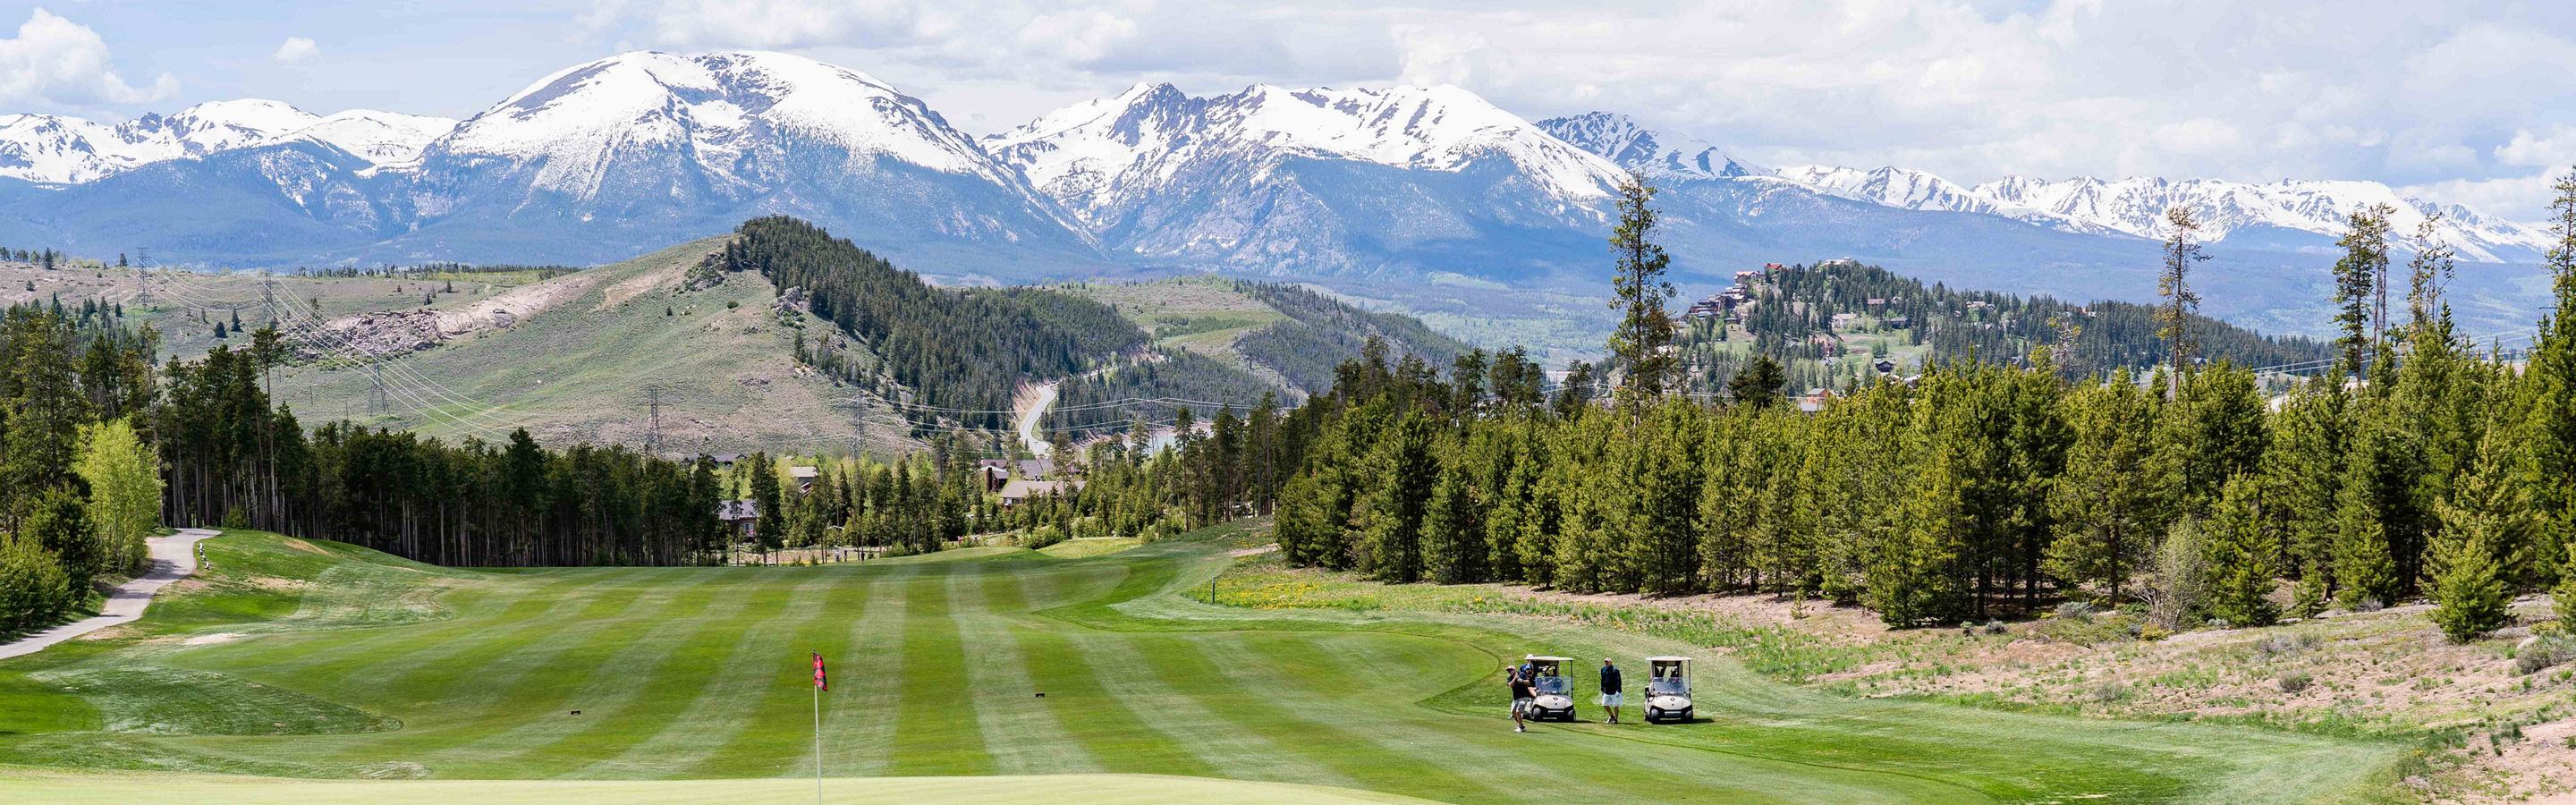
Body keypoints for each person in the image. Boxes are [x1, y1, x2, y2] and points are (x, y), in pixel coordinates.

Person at [1507, 663, 1534, 733]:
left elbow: (1528, 682)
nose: (1509, 671)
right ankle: (1522, 726)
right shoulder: (1510, 678)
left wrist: (1521, 680)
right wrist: (1515, 679)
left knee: (1518, 711)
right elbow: (1510, 685)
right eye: (1508, 671)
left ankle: (1520, 727)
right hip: (1516, 698)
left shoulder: (1522, 674)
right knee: (1513, 713)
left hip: (1524, 696)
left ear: (1514, 669)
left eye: (1510, 670)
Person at [1597, 658, 1624, 724]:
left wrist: (1618, 690)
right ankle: (1612, 716)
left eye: (1607, 662)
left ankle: (1616, 719)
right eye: (1605, 662)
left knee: (1616, 706)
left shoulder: (1615, 670)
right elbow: (1602, 680)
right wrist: (1602, 689)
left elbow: (1619, 680)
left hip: (1615, 692)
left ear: (1611, 662)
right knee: (1605, 704)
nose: (1606, 663)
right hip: (1607, 691)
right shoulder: (1603, 669)